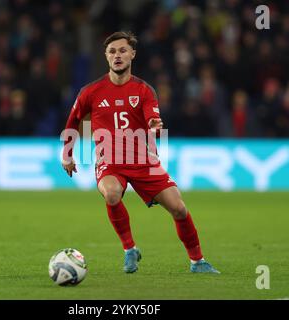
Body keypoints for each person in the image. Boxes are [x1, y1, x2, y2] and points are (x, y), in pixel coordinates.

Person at [61, 31, 219, 274]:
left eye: (122, 50)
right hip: (110, 161)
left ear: (132, 54)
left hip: (143, 160)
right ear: (106, 56)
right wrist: (67, 153)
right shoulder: (90, 92)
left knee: (178, 208)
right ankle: (129, 249)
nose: (117, 55)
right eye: (112, 51)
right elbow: (72, 122)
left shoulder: (144, 90)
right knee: (111, 193)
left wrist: (155, 126)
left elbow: (152, 118)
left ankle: (197, 261)